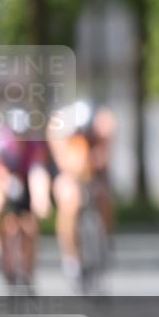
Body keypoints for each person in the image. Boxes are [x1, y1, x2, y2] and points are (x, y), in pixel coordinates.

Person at [47, 100, 116, 290]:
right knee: (69, 202)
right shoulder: (58, 128)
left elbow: (105, 157)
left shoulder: (103, 126)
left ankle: (106, 240)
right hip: (69, 174)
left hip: (94, 173)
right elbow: (64, 163)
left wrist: (95, 163)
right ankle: (71, 257)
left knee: (105, 198)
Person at [0, 108, 52, 294]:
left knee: (30, 228)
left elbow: (38, 173)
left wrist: (41, 199)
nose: (20, 138)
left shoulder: (35, 146)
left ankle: (28, 272)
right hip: (3, 182)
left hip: (27, 185)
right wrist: (9, 187)